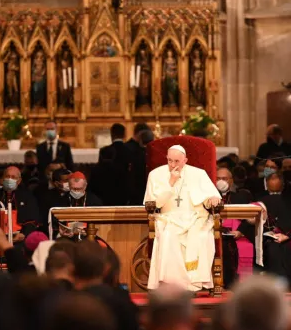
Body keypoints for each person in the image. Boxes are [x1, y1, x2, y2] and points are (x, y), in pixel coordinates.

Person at [144, 145, 222, 292]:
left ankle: (192, 286)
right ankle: (174, 285)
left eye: (177, 161)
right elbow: (154, 203)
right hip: (168, 218)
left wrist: (212, 198)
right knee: (168, 236)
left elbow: (208, 197)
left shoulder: (198, 174)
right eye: (169, 161)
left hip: (196, 218)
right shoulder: (155, 175)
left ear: (185, 160)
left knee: (201, 236)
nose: (173, 165)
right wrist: (171, 182)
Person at [216, 167, 254, 287]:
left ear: (231, 181)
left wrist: (240, 231)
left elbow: (250, 218)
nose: (221, 181)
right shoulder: (208, 198)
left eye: (224, 179)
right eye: (218, 179)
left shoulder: (240, 197)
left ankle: (233, 284)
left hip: (234, 235)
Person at [92, 123, 132, 205]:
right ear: (124, 134)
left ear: (112, 134)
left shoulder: (104, 150)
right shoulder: (129, 150)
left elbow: (100, 172)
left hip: (107, 191)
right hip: (124, 191)